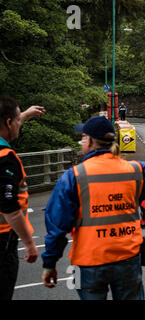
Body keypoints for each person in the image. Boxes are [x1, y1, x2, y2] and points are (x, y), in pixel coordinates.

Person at [41, 115, 145, 300]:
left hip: (87, 262)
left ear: (90, 141)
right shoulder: (135, 171)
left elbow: (56, 226)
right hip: (127, 258)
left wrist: (49, 263)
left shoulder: (74, 177)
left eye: (83, 137)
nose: (81, 142)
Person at [0, 95, 43, 300]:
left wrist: (23, 115)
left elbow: (8, 122)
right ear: (8, 122)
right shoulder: (6, 159)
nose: (19, 124)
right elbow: (9, 205)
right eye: (17, 120)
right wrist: (29, 243)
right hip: (4, 239)